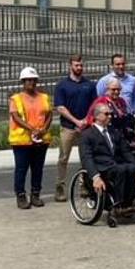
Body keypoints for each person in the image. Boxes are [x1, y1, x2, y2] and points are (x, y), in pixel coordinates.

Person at [79, 104, 135, 212]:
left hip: (115, 164)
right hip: (101, 167)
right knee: (121, 170)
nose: (110, 116)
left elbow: (126, 152)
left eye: (111, 114)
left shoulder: (115, 132)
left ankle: (129, 201)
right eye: (107, 114)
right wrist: (95, 177)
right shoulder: (87, 135)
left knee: (131, 168)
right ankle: (119, 203)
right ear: (97, 116)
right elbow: (86, 157)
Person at [53, 54, 96, 202]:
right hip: (68, 128)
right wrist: (76, 121)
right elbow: (60, 107)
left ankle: (84, 185)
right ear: (70, 66)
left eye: (81, 65)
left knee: (86, 158)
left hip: (85, 128)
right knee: (63, 158)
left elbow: (94, 106)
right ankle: (60, 188)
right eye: (76, 65)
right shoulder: (62, 85)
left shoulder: (89, 85)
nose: (79, 68)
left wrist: (85, 121)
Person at [8, 67, 52, 209]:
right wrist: (32, 129)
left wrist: (44, 128)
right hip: (22, 141)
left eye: (33, 80)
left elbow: (49, 114)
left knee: (38, 168)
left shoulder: (44, 97)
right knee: (21, 169)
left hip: (40, 139)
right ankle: (20, 195)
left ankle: (35, 194)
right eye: (28, 80)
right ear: (23, 81)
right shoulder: (16, 99)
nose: (31, 83)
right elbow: (15, 116)